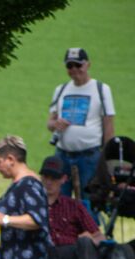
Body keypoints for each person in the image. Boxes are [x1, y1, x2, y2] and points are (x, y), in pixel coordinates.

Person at [47, 47, 116, 198]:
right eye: (69, 66)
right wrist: (55, 124)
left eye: (78, 65)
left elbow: (109, 124)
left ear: (88, 65)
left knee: (89, 201)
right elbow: (49, 123)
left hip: (90, 156)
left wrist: (107, 158)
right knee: (59, 200)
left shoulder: (101, 89)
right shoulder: (61, 89)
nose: (74, 69)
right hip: (62, 155)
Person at [40, 156, 103, 259]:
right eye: (46, 177)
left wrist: (89, 237)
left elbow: (99, 237)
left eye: (54, 178)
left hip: (71, 253)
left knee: (85, 242)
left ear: (63, 179)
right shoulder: (34, 205)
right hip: (44, 254)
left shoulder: (74, 206)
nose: (49, 182)